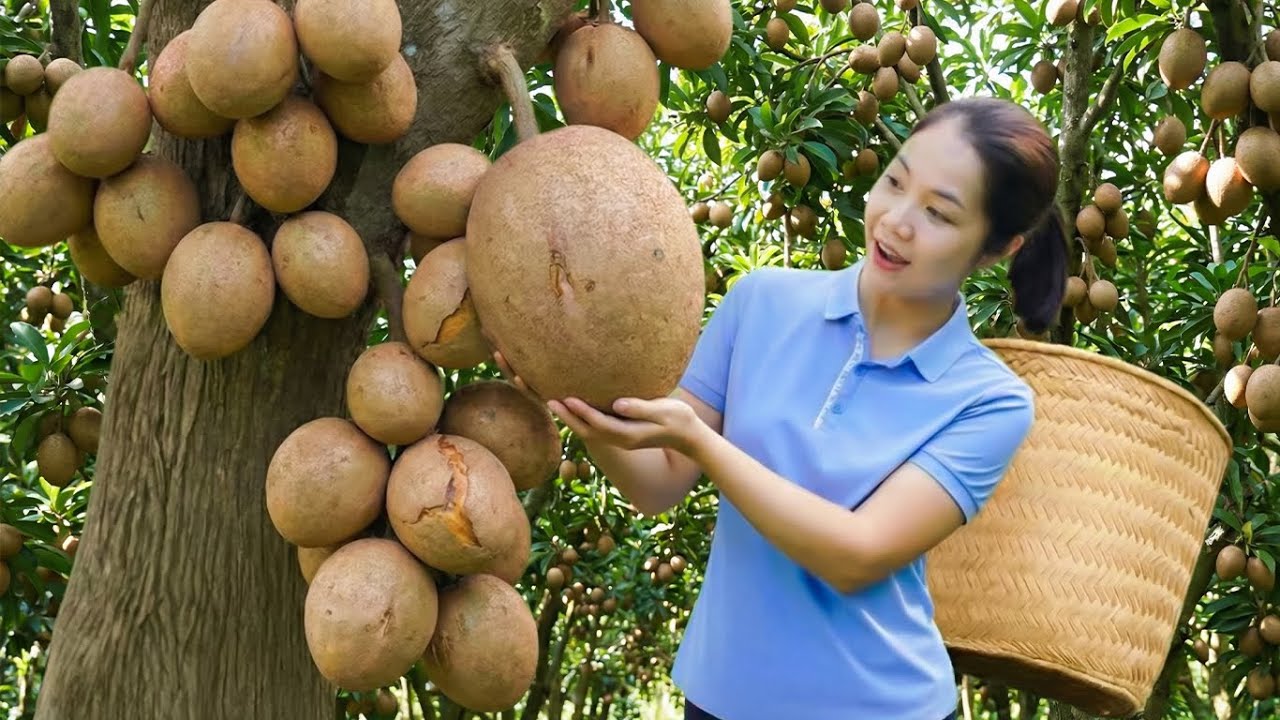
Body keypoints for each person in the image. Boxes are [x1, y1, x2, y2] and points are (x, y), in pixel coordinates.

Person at [494, 96, 1068, 720]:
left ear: (997, 247)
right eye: (895, 181)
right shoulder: (760, 301)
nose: (897, 221)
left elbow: (857, 555)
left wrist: (705, 445)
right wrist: (566, 387)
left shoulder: (990, 400)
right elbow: (656, 483)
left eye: (938, 213)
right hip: (720, 699)